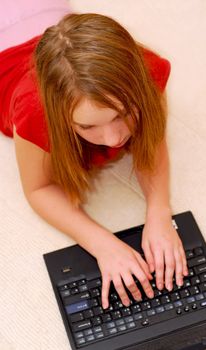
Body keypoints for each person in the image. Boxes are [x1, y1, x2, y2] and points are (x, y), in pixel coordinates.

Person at [0, 13, 188, 310]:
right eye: (87, 127)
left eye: (122, 114)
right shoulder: (34, 111)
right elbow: (38, 189)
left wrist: (159, 212)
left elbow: (152, 144)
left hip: (44, 17)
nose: (114, 138)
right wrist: (102, 243)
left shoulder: (148, 70)